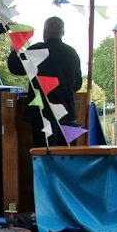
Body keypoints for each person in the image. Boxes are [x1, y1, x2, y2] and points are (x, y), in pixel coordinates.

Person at [7, 16, 83, 146]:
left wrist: (15, 50)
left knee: (45, 157)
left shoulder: (37, 50)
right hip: (68, 116)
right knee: (68, 159)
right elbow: (77, 84)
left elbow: (15, 67)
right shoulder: (72, 53)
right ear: (63, 33)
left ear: (44, 32)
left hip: (42, 116)